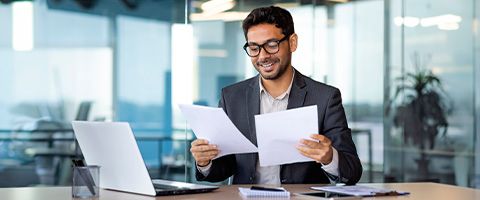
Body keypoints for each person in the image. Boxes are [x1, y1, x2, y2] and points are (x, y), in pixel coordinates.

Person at [190, 6, 362, 185]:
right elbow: (224, 168)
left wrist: (329, 157)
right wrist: (205, 161)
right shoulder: (232, 97)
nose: (263, 56)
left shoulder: (325, 97)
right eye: (254, 48)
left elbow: (352, 172)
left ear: (292, 42)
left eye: (271, 45)